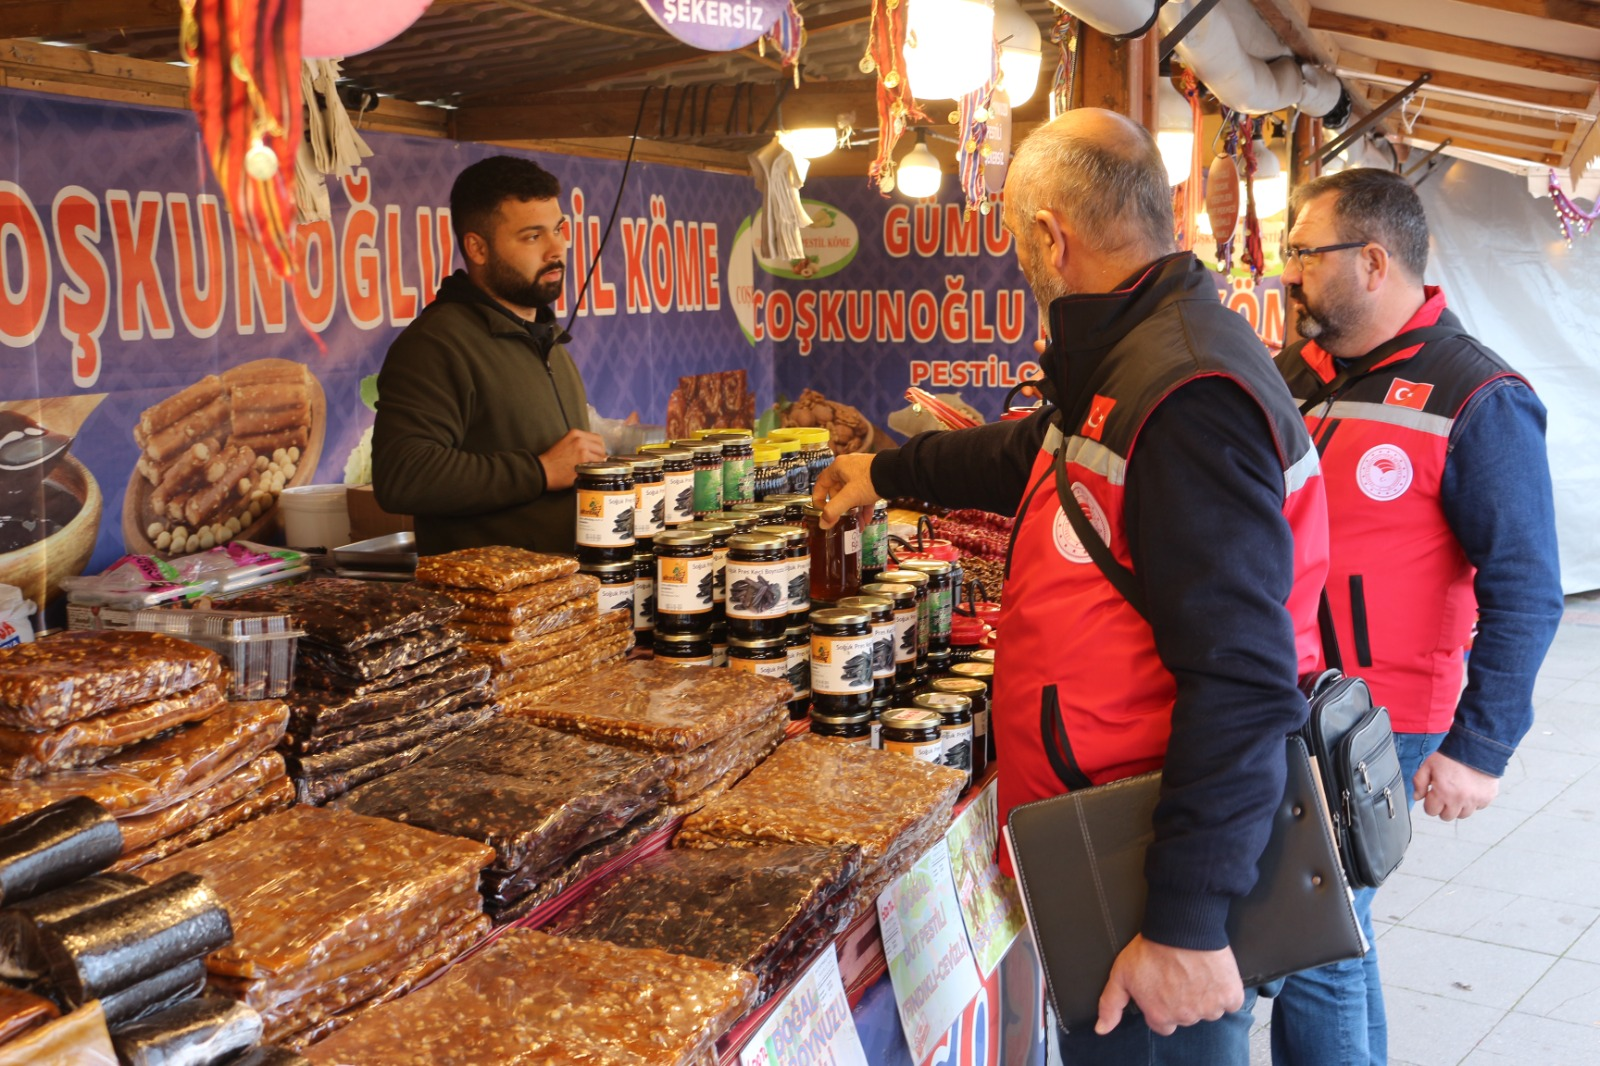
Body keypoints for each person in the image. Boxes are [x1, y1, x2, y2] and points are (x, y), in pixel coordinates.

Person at [815, 108, 1331, 1063]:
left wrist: (1185, 922)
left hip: (1148, 869)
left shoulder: (1186, 392)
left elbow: (1245, 680)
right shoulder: (1137, 350)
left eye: (1019, 242)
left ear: (1051, 236)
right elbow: (1039, 452)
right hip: (1106, 840)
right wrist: (888, 472)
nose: (1022, 261)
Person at [1269, 168, 1563, 1066]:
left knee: (1312, 930)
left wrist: (1481, 747)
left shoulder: (1478, 396)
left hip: (1379, 715)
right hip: (1291, 698)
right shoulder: (1297, 372)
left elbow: (1528, 584)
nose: (1285, 273)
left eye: (1301, 254)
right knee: (1332, 930)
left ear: (1371, 260)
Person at [372, 155, 606, 555]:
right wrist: (539, 471)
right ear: (477, 248)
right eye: (533, 236)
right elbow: (402, 475)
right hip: (487, 609)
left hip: (563, 598)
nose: (557, 249)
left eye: (559, 229)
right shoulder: (437, 343)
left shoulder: (546, 336)